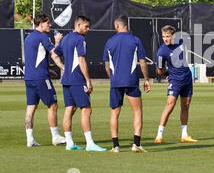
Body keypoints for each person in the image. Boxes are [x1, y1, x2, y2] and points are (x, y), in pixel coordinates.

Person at [55, 16, 106, 152]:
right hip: (77, 80)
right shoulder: (80, 39)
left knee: (69, 108)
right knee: (86, 109)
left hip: (66, 79)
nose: (88, 29)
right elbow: (81, 60)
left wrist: (62, 67)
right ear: (78, 25)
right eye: (86, 26)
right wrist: (88, 80)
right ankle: (89, 143)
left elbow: (54, 53)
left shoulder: (65, 38)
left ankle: (69, 143)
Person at [103, 15, 151, 153]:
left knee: (114, 113)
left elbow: (107, 66)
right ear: (126, 25)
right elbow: (142, 62)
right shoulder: (135, 40)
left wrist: (112, 79)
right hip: (131, 81)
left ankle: (115, 146)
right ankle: (136, 144)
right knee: (137, 111)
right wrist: (146, 79)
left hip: (115, 82)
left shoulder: (110, 42)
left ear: (117, 25)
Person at [23, 14, 66, 147]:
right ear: (41, 24)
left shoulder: (28, 37)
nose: (50, 25)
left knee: (31, 108)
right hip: (41, 77)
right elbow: (55, 54)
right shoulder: (43, 37)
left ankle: (30, 139)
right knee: (53, 105)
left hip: (29, 78)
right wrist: (58, 41)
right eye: (48, 23)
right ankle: (55, 136)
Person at [154, 25, 198, 143]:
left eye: (168, 36)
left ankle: (184, 135)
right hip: (175, 80)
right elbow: (159, 70)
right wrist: (168, 73)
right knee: (170, 105)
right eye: (163, 36)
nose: (165, 39)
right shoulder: (161, 51)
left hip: (187, 79)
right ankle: (159, 135)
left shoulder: (181, 43)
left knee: (185, 106)